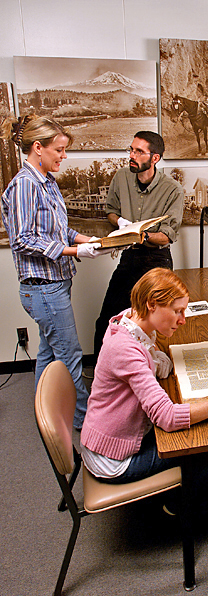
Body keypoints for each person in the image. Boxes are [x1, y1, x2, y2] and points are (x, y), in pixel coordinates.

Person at [81, 268, 208, 491]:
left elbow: (145, 357)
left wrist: (153, 358)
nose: (183, 320)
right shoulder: (125, 350)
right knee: (204, 446)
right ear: (151, 304)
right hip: (113, 459)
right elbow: (168, 418)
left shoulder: (130, 319)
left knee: (198, 421)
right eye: (177, 311)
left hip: (109, 437)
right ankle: (186, 517)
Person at [0, 114, 110, 429]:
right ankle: (85, 421)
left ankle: (44, 413)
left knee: (49, 354)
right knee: (70, 354)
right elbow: (22, 240)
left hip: (56, 283)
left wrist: (88, 240)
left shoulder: (46, 181)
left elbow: (56, 229)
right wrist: (75, 251)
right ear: (38, 147)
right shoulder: (24, 185)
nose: (64, 156)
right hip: (42, 287)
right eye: (59, 150)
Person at [94, 131, 184, 359]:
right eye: (131, 150)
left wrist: (142, 236)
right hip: (130, 256)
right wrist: (122, 223)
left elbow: (167, 235)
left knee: (156, 322)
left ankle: (155, 378)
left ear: (155, 158)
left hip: (157, 260)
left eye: (139, 151)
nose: (132, 155)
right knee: (109, 319)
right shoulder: (121, 177)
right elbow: (111, 211)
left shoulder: (172, 189)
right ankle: (103, 376)